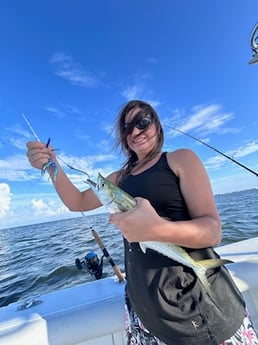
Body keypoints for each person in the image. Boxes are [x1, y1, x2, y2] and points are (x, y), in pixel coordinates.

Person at [26, 100, 258, 345]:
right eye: (127, 128)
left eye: (142, 122)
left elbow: (213, 231)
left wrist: (157, 229)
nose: (135, 132)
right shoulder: (118, 178)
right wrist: (52, 165)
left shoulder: (180, 159)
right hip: (145, 316)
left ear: (156, 124)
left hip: (197, 313)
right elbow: (78, 202)